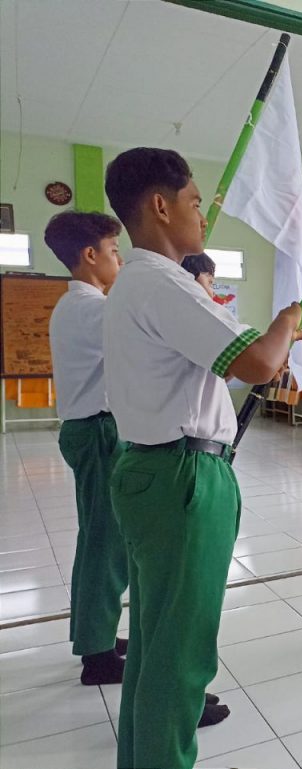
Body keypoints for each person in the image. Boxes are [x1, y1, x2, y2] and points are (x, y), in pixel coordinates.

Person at [103, 147, 302, 769]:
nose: (202, 214)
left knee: (157, 644)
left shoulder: (137, 282)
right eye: (194, 201)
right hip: (182, 479)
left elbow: (225, 365)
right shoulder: (162, 283)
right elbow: (259, 362)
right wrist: (287, 320)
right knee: (181, 653)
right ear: (160, 207)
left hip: (156, 468)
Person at [45, 210, 129, 686]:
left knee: (97, 539)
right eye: (115, 251)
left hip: (91, 429)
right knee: (106, 544)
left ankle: (97, 635)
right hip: (98, 432)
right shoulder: (93, 309)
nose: (120, 259)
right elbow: (147, 340)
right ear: (90, 255)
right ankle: (98, 656)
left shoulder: (76, 305)